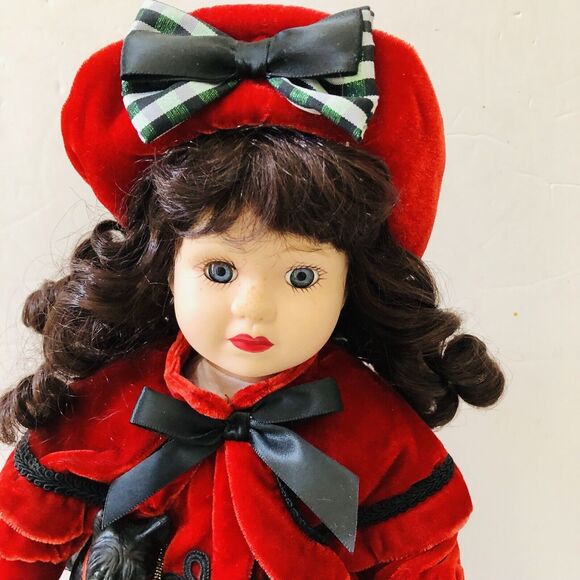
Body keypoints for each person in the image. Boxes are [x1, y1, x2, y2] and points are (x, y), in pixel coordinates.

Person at [0, 2, 505, 578]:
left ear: (351, 283)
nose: (254, 308)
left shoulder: (378, 435)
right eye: (219, 270)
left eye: (301, 276)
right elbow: (17, 547)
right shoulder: (106, 406)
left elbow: (422, 564)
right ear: (165, 267)